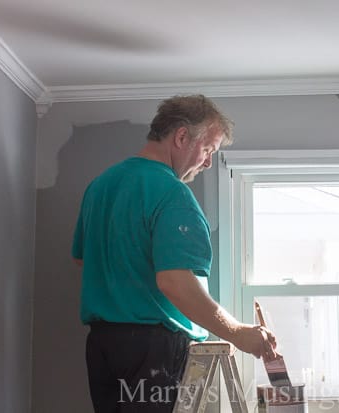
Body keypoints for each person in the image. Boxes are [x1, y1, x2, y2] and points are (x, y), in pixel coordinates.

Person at [72, 95, 278, 412]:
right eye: (208, 149)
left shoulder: (100, 186)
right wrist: (237, 333)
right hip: (153, 350)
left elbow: (84, 260)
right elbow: (175, 282)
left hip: (102, 344)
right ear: (181, 136)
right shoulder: (172, 193)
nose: (209, 162)